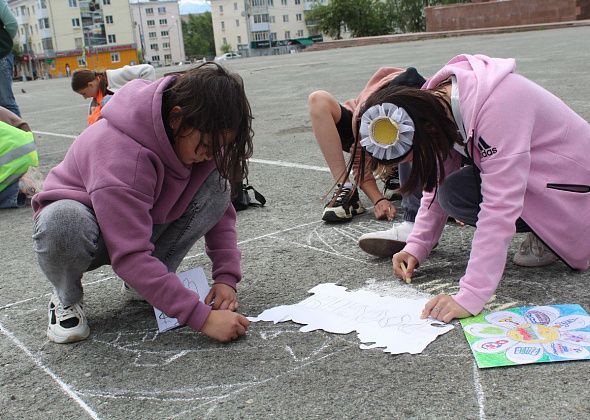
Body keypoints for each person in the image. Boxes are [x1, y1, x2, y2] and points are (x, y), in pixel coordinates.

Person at [354, 54, 590, 323]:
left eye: (413, 157)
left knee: (488, 193)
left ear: (428, 129)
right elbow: (437, 182)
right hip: (540, 176)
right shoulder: (438, 105)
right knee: (452, 192)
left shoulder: (498, 106)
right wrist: (416, 246)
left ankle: (554, 234)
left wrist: (471, 295)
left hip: (575, 189)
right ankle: (545, 229)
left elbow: (499, 206)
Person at [32, 63, 253, 344]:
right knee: (62, 222)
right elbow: (130, 255)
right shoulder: (122, 154)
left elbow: (220, 212)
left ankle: (146, 283)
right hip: (87, 228)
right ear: (177, 118)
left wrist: (226, 278)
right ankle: (66, 297)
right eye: (207, 145)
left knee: (218, 184)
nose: (209, 154)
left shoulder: (194, 138)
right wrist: (203, 318)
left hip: (138, 220)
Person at [308, 67, 425, 246]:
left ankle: (396, 172)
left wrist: (447, 198)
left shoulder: (433, 107)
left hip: (410, 114)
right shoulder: (371, 115)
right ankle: (345, 187)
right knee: (318, 99)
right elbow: (361, 169)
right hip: (363, 126)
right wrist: (378, 199)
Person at [71, 64, 156, 125]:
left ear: (91, 85)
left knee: (107, 101)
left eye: (84, 93)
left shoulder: (115, 76)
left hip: (142, 118)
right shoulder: (94, 105)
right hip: (126, 127)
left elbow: (148, 70)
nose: (85, 98)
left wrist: (139, 99)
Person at [0, 106, 42, 208]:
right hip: (24, 145)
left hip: (13, 153)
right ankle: (21, 179)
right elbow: (23, 125)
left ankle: (19, 188)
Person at [0, 0, 20, 117]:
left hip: (1, 55)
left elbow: (11, 24)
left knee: (6, 103)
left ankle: (21, 134)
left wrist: (4, 43)